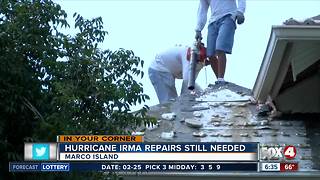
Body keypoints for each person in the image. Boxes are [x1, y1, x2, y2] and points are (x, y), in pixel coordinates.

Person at [195, 0, 246, 85]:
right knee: (210, 54)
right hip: (213, 22)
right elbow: (202, 10)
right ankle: (219, 81)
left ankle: (221, 79)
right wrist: (198, 29)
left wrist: (240, 11)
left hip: (228, 16)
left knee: (220, 48)